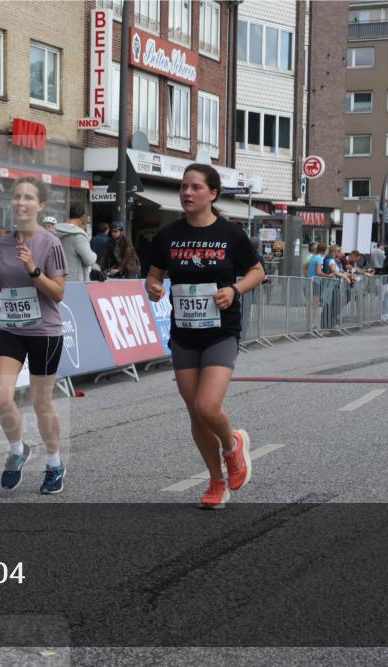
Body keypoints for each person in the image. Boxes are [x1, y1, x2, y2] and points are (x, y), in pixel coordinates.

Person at [146, 164, 265, 510]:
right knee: (195, 414)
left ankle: (233, 447)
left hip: (220, 332)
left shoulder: (231, 235)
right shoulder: (168, 235)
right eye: (183, 186)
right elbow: (153, 276)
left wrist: (235, 289)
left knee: (206, 406)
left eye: (195, 187)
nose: (187, 192)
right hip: (184, 334)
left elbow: (257, 271)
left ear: (212, 193)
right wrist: (153, 287)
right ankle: (216, 482)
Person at [0, 177, 68, 495]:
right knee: (1, 397)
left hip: (44, 331)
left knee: (41, 403)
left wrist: (34, 270)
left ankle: (54, 464)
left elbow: (58, 293)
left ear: (40, 205)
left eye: (28, 197)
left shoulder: (50, 243)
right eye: (16, 197)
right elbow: (6, 281)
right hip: (12, 328)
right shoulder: (3, 242)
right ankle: (18, 450)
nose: (21, 202)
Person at [53, 203, 97, 282]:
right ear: (82, 218)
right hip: (76, 282)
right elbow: (89, 260)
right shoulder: (78, 236)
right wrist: (94, 255)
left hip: (57, 280)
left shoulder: (55, 231)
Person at [320, 243, 351, 330]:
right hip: (330, 285)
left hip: (334, 285)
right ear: (333, 251)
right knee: (330, 305)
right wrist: (345, 276)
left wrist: (349, 275)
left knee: (334, 305)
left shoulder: (335, 260)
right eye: (338, 251)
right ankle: (327, 325)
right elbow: (334, 271)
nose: (340, 252)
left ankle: (331, 323)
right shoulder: (330, 260)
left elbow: (340, 271)